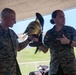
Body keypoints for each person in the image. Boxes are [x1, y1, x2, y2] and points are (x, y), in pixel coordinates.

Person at [33, 10, 76, 75]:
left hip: (70, 68)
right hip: (55, 68)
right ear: (54, 19)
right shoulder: (49, 33)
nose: (64, 18)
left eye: (64, 16)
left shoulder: (71, 30)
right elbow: (45, 50)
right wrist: (38, 43)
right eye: (61, 16)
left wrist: (68, 41)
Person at [0, 8, 32, 75]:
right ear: (5, 19)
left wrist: (29, 39)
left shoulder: (12, 33)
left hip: (14, 70)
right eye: (13, 19)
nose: (15, 22)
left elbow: (18, 47)